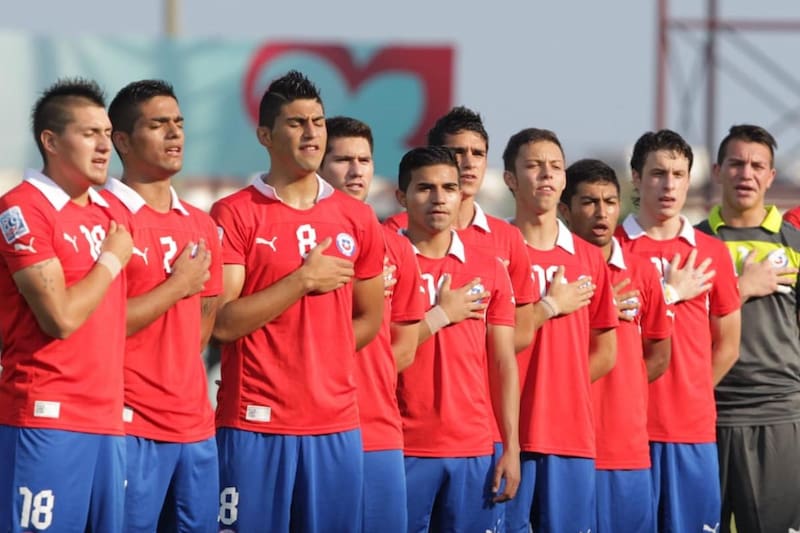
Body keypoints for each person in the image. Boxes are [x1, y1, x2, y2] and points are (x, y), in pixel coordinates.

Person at [210, 70, 385, 532]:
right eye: (296, 123)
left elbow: (370, 318)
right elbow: (222, 323)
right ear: (265, 135)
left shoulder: (358, 218)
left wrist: (322, 360)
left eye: (318, 121)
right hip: (255, 424)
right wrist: (302, 280)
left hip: (335, 426)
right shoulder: (235, 212)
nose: (312, 133)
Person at [0, 78, 132, 531]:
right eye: (89, 133)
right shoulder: (22, 208)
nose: (104, 146)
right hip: (46, 417)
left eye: (106, 133)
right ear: (51, 141)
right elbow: (60, 317)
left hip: (109, 423)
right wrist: (112, 259)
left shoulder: (111, 213)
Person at [103, 79, 222, 532]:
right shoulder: (105, 217)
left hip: (194, 426)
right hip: (128, 425)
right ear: (123, 140)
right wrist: (176, 287)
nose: (175, 134)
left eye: (178, 123)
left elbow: (201, 331)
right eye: (158, 124)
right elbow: (93, 326)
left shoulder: (201, 224)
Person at [618, 129, 741, 533]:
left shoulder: (711, 252)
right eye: (657, 174)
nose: (668, 185)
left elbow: (728, 345)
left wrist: (693, 396)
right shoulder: (612, 250)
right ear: (636, 178)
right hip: (625, 431)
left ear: (690, 179)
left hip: (692, 432)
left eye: (678, 174)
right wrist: (669, 294)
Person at [395, 145, 520, 532]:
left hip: (474, 450)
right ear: (402, 196)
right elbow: (380, 357)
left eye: (448, 187)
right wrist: (440, 315)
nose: (438, 198)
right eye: (425, 188)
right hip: (401, 448)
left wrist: (511, 445)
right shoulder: (384, 261)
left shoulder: (489, 268)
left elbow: (503, 362)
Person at [501, 128, 618, 533]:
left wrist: (559, 388)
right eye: (533, 167)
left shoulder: (588, 259)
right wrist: (549, 307)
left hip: (568, 435)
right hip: (504, 434)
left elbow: (606, 350)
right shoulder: (492, 250)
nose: (546, 176)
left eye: (554, 167)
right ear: (511, 179)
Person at [319, 115, 425, 533]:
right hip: (311, 425)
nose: (356, 170)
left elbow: (403, 346)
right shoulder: (303, 238)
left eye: (364, 159)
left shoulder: (397, 249)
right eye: (343, 159)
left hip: (378, 429)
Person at [696, 124, 800, 533]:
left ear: (771, 176)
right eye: (736, 164)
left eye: (758, 165)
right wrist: (739, 289)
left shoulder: (793, 242)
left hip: (779, 413)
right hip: (707, 413)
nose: (746, 174)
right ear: (718, 171)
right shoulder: (694, 243)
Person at [560, 158, 672, 532]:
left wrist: (626, 389)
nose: (601, 212)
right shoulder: (552, 272)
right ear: (565, 209)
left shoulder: (642, 273)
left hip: (626, 448)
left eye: (609, 201)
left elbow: (658, 355)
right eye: (589, 202)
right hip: (564, 443)